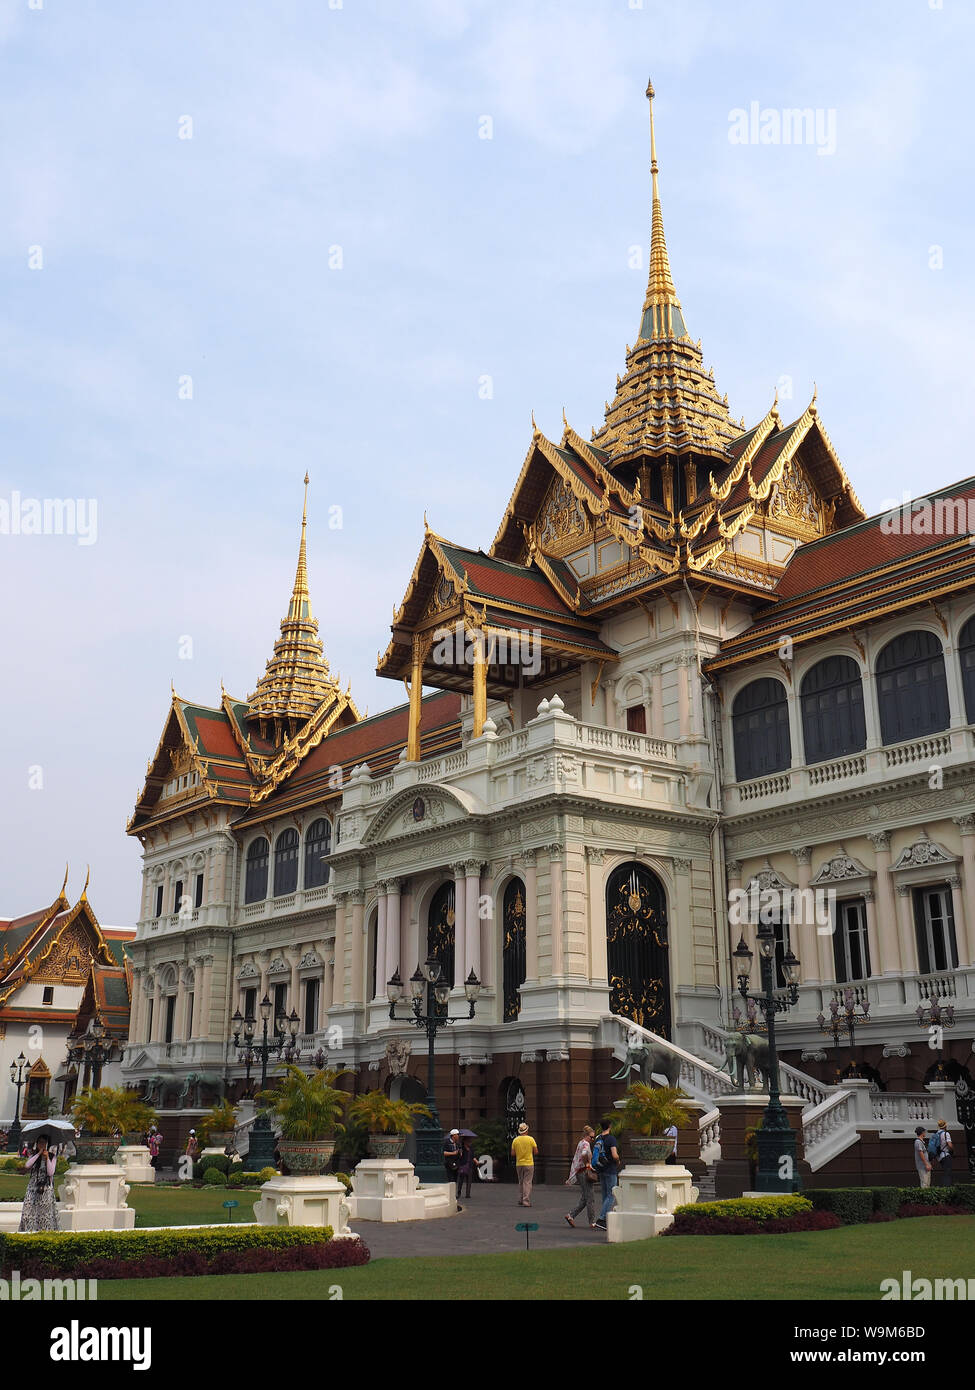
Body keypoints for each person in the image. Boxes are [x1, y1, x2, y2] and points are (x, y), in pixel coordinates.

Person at [18, 1137, 59, 1232]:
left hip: (46, 1188)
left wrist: (47, 1158)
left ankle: (45, 1233)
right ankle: (29, 1231)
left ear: (47, 1144)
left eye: (44, 1143)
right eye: (40, 1143)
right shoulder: (33, 1155)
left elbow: (50, 1172)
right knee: (28, 1212)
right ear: (37, 1143)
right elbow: (27, 1165)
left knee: (44, 1214)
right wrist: (39, 1154)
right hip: (33, 1187)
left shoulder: (52, 1156)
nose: (42, 1145)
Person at [564, 1124, 597, 1229]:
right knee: (590, 1197)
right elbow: (583, 1154)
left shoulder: (580, 1142)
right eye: (591, 1137)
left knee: (585, 1197)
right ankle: (592, 1221)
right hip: (583, 1172)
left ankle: (571, 1215)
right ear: (586, 1135)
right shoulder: (586, 1144)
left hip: (579, 1172)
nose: (593, 1139)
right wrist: (587, 1164)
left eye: (594, 1137)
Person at [592, 1120, 620, 1231]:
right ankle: (602, 1219)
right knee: (612, 1194)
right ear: (610, 1126)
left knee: (605, 1195)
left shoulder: (598, 1138)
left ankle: (605, 1220)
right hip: (610, 1169)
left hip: (601, 1169)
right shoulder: (611, 1139)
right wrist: (617, 1160)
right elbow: (614, 1154)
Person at [511, 1122, 538, 1207]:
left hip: (519, 1163)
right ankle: (526, 1201)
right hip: (529, 1163)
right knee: (527, 1182)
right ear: (527, 1130)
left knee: (521, 1181)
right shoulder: (531, 1139)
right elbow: (536, 1151)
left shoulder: (515, 1140)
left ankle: (520, 1199)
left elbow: (512, 1153)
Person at [935, 1118, 954, 1186]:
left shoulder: (936, 1134)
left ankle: (945, 1187)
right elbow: (950, 1145)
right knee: (947, 1172)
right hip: (946, 1155)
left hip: (939, 1156)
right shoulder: (946, 1134)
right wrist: (952, 1149)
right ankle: (947, 1188)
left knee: (945, 1171)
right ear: (945, 1126)